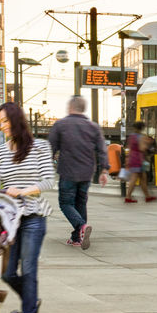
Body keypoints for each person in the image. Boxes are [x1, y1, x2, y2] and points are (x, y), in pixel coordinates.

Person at [0, 111, 56, 313]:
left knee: (28, 270)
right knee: (7, 273)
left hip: (33, 215)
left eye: (6, 121)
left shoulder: (40, 147)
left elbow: (48, 180)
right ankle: (32, 300)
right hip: (9, 218)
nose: (3, 126)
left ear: (18, 120)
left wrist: (23, 191)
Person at [49, 100, 106, 248]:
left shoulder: (61, 125)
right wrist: (104, 170)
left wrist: (45, 166)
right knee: (81, 203)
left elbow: (51, 148)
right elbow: (102, 150)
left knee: (66, 203)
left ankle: (81, 226)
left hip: (68, 171)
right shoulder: (94, 127)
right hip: (87, 173)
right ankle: (76, 238)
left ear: (70, 108)